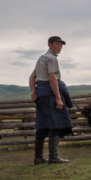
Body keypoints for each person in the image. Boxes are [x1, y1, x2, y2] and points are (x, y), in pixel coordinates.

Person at [29, 36, 73, 165]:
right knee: (55, 122)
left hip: (41, 94)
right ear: (49, 45)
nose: (59, 47)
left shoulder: (41, 58)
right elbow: (52, 78)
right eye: (56, 44)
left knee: (42, 124)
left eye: (61, 45)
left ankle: (38, 157)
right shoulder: (51, 58)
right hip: (50, 94)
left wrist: (33, 91)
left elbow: (32, 77)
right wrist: (59, 99)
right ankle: (53, 157)